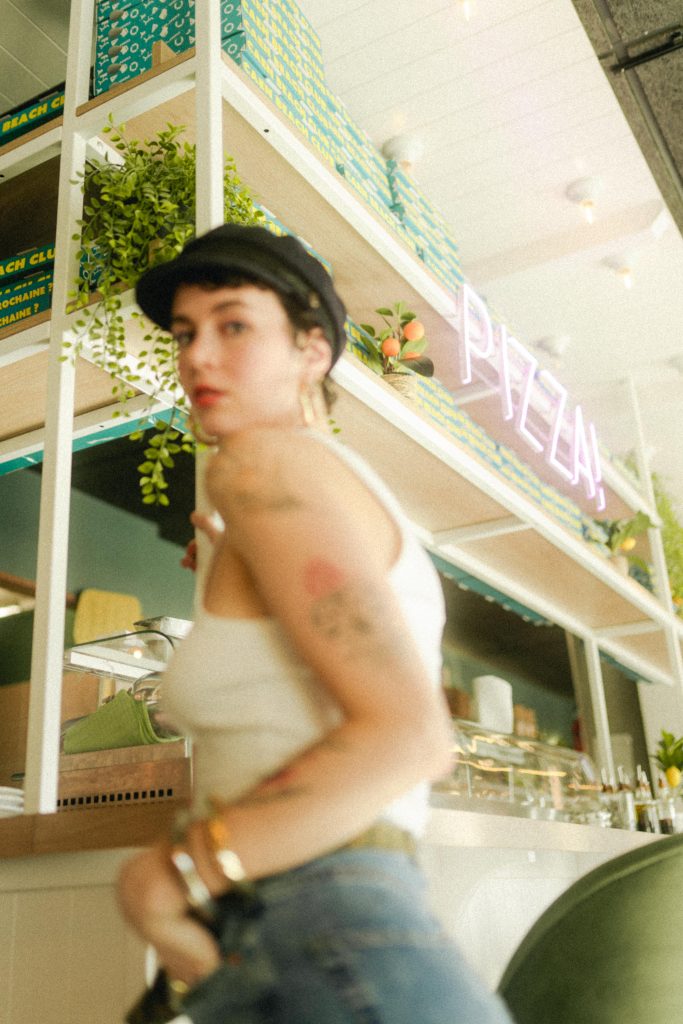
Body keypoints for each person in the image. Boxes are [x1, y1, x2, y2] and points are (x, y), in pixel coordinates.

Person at [117, 223, 514, 1024]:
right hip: (322, 924)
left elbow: (411, 737)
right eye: (185, 334)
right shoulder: (305, 486)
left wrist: (171, 877)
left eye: (233, 325)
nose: (196, 357)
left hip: (318, 920)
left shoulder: (260, 466)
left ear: (311, 351)